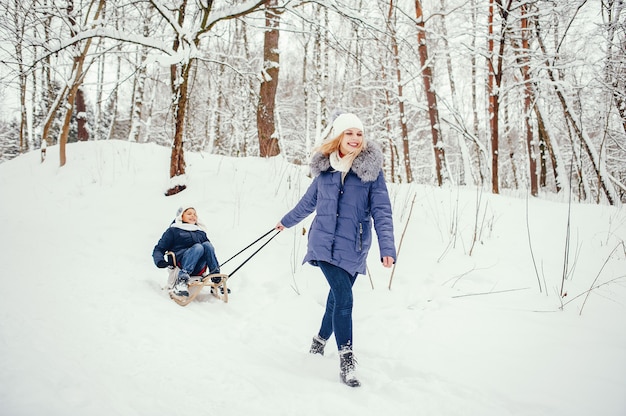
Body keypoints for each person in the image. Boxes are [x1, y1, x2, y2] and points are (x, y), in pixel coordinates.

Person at [275, 113, 396, 387]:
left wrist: (387, 247)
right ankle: (347, 360)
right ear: (338, 136)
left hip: (354, 247)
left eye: (359, 133)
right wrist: (285, 222)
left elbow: (382, 211)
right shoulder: (325, 170)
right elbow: (308, 204)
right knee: (344, 297)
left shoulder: (370, 172)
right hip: (323, 244)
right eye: (349, 133)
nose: (355, 138)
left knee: (335, 299)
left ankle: (319, 342)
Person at [152, 206, 221, 297]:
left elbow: (209, 252)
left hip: (199, 266)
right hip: (181, 264)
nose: (193, 216)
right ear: (181, 216)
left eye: (195, 214)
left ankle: (216, 278)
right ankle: (182, 281)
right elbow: (159, 249)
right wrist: (159, 261)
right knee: (198, 247)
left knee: (207, 245)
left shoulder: (200, 232)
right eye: (189, 213)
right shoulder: (173, 230)